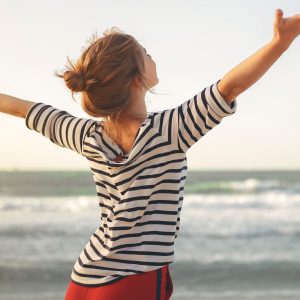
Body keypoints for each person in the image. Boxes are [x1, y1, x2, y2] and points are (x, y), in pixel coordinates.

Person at [0, 8, 299, 300]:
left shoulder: (86, 136)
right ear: (135, 78)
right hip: (135, 276)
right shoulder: (170, 130)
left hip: (84, 278)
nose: (151, 56)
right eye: (145, 53)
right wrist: (279, 43)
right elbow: (229, 87)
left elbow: (29, 110)